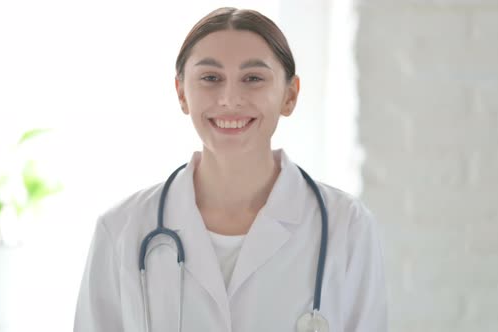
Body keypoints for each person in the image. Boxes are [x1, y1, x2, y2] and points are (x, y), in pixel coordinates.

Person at [74, 7, 387, 332]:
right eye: (211, 78)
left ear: (289, 95)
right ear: (182, 93)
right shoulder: (122, 229)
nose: (230, 99)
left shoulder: (347, 226)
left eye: (253, 78)